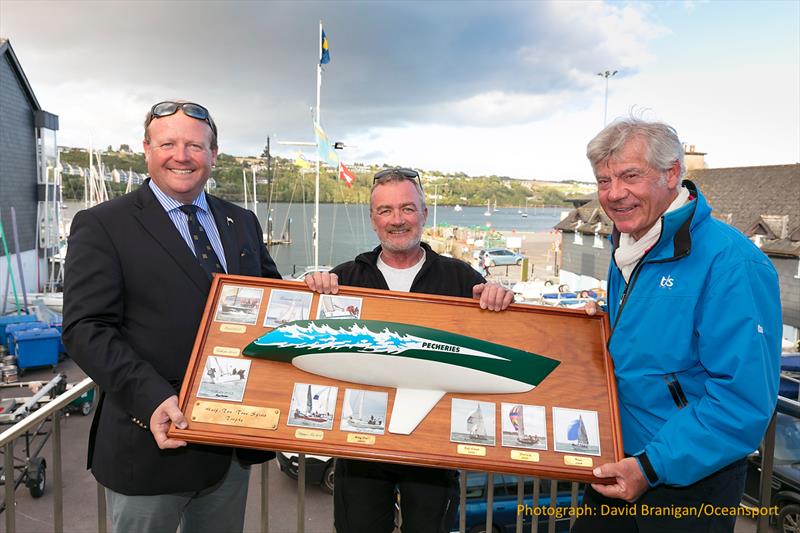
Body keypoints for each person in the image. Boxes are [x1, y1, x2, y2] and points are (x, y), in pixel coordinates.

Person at [62, 101, 282, 533]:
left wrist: (315, 290)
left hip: (229, 448)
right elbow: (85, 328)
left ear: (213, 155)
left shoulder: (242, 222)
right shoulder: (103, 224)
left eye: (195, 146)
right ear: (146, 149)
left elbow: (272, 300)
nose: (182, 155)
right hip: (148, 442)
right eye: (168, 143)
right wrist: (152, 397)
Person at [572, 119, 781, 532]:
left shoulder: (731, 262)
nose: (614, 194)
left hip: (685, 480)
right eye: (603, 180)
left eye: (630, 176)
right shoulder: (629, 246)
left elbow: (742, 400)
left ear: (672, 174)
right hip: (619, 459)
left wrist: (651, 466)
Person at [304, 168, 515, 533]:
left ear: (424, 214)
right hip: (361, 448)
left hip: (433, 449)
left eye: (407, 208)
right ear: (373, 219)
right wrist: (311, 292)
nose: (397, 220)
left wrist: (502, 300)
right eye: (385, 210)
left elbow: (501, 344)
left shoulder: (462, 279)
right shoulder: (343, 280)